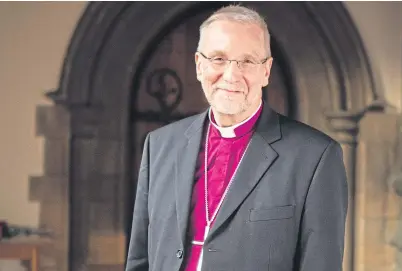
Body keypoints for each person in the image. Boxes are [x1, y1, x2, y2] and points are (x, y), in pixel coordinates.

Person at [126, 4, 348, 271]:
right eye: (218, 59)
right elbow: (139, 259)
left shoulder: (315, 158)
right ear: (199, 65)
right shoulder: (160, 145)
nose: (231, 75)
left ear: (266, 71)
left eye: (247, 61)